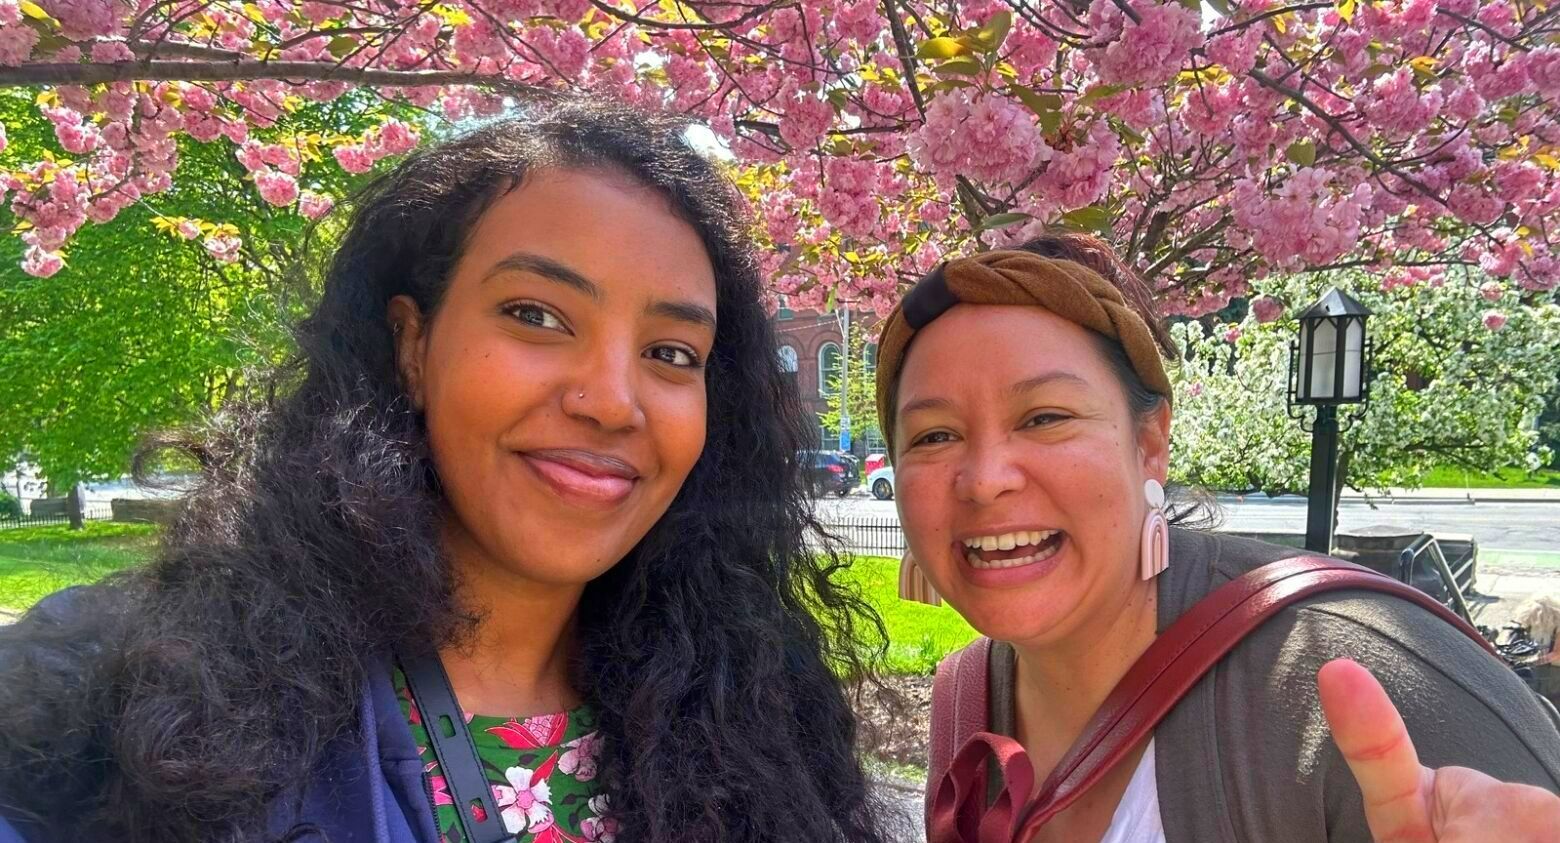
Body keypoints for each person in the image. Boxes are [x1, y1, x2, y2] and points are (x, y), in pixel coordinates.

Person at [0, 98, 889, 843]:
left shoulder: (759, 721)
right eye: (537, 315)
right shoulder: (117, 697)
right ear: (412, 343)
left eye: (670, 350)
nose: (615, 401)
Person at [876, 232, 1560, 842]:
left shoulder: (1362, 692)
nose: (985, 478)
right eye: (935, 435)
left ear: (1149, 443)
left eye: (1045, 417)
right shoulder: (966, 701)